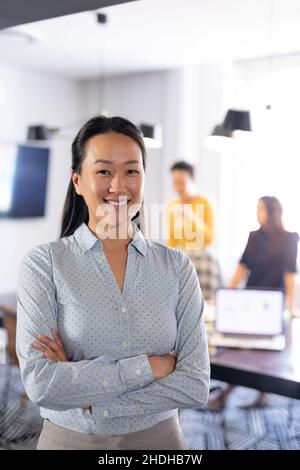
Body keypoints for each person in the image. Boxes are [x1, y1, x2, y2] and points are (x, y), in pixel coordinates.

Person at [16, 116, 210, 450]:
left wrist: (90, 398)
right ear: (77, 181)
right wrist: (153, 366)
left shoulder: (177, 268)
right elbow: (42, 384)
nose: (119, 186)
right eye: (104, 171)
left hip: (161, 443)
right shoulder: (44, 265)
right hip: (69, 440)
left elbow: (194, 383)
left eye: (132, 171)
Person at [209, 196, 299, 410]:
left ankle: (246, 395)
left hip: (272, 305)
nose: (257, 212)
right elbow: (242, 267)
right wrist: (224, 297)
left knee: (265, 355)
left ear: (272, 211)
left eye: (261, 208)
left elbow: (289, 275)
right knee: (243, 353)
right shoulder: (254, 236)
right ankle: (229, 394)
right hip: (249, 302)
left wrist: (291, 308)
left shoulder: (290, 238)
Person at [166, 161, 214, 251]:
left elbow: (209, 239)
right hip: (180, 258)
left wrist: (190, 216)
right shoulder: (172, 205)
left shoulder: (205, 202)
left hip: (200, 259)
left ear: (193, 180)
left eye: (182, 182)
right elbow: (172, 241)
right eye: (175, 182)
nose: (178, 188)